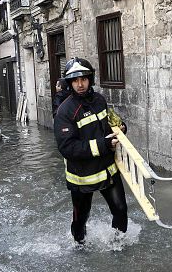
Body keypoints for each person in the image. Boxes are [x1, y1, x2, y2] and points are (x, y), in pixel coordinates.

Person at [54, 58, 127, 245]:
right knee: (81, 220)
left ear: (90, 79)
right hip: (82, 178)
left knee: (120, 210)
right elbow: (68, 148)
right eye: (75, 80)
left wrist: (121, 128)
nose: (80, 84)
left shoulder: (99, 100)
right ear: (70, 83)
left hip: (108, 170)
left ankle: (118, 246)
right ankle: (79, 247)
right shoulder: (64, 111)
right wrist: (104, 145)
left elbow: (110, 122)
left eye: (84, 79)